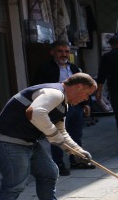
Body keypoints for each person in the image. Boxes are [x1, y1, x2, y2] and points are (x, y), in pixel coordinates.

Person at [0, 73, 97, 200]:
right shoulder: (55, 93)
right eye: (87, 94)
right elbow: (35, 112)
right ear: (79, 86)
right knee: (15, 184)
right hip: (6, 142)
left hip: (26, 141)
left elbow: (62, 132)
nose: (85, 99)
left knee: (49, 171)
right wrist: (56, 139)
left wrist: (77, 151)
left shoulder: (62, 104)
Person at [34, 40, 94, 176]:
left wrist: (85, 104)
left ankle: (77, 159)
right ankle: (58, 163)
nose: (64, 54)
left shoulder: (74, 68)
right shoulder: (44, 68)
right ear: (52, 52)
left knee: (76, 134)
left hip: (75, 106)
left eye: (66, 51)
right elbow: (39, 88)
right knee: (58, 135)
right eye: (60, 51)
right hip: (56, 106)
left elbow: (84, 87)